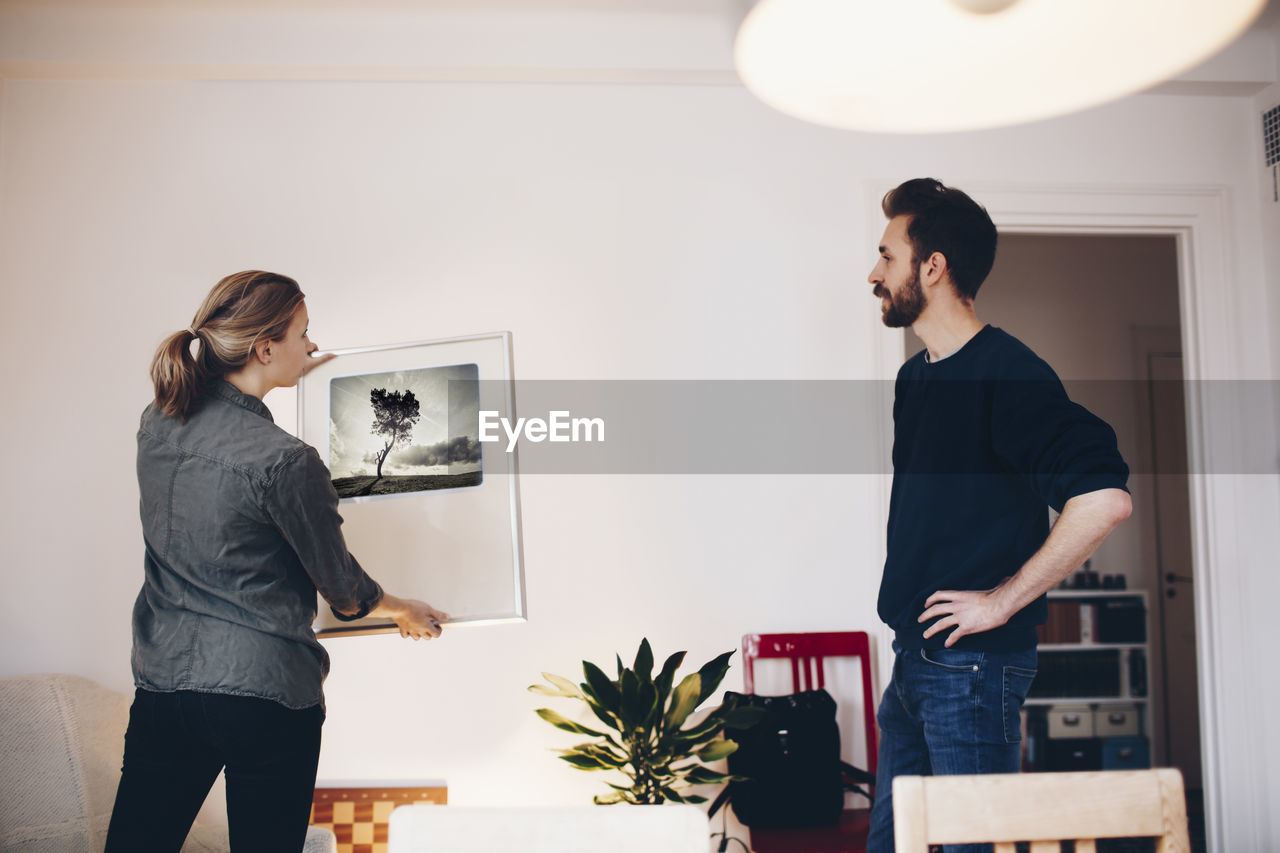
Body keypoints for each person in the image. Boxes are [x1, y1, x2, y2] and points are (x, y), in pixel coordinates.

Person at [105, 271, 449, 853]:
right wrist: (400, 610)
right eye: (304, 335)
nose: (313, 346)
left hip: (166, 687)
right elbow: (342, 589)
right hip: (264, 693)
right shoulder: (286, 461)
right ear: (263, 347)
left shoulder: (157, 422)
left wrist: (289, 373)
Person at [863, 180, 1132, 853]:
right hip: (913, 661)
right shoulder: (916, 377)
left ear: (933, 266)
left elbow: (1104, 498)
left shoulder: (1008, 373)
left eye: (887, 256)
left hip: (972, 671)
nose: (873, 274)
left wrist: (999, 602)